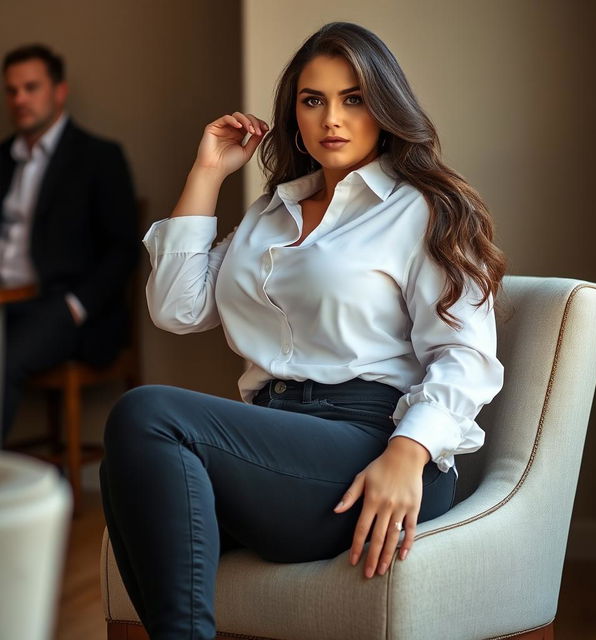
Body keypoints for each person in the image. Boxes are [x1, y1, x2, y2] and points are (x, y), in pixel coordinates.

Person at [100, 21, 507, 639]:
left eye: (354, 98)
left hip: (372, 443)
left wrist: (409, 451)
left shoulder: (424, 208)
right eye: (312, 100)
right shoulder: (272, 211)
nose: (331, 119)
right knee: (129, 469)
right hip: (278, 441)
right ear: (294, 115)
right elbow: (177, 309)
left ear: (385, 106)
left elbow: (466, 354)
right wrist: (208, 173)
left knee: (146, 415)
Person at [0, 44, 138, 444]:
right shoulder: (1, 160)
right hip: (7, 304)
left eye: (31, 87)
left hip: (65, 308)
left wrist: (76, 307)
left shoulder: (99, 157)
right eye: (11, 91)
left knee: (2, 360)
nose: (20, 99)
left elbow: (122, 248)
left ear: (59, 91)